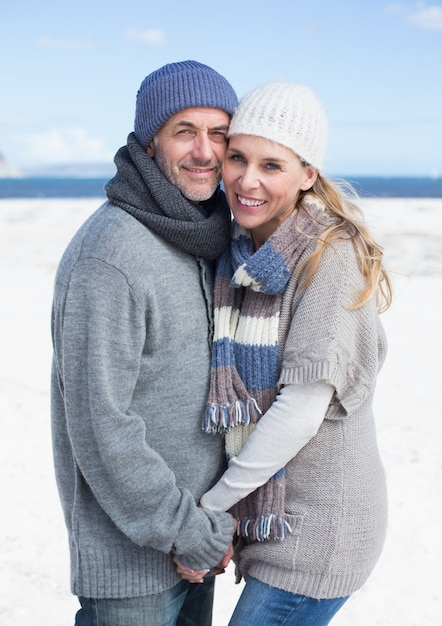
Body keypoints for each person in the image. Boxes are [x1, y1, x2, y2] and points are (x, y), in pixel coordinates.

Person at [193, 82, 393, 625]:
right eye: (237, 158)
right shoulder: (240, 251)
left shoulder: (330, 256)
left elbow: (300, 411)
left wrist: (212, 511)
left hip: (322, 529)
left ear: (308, 175)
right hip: (274, 518)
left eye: (271, 165)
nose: (247, 180)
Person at [50, 60, 239, 626]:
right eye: (185, 131)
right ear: (149, 141)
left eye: (219, 133)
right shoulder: (111, 255)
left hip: (196, 545)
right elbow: (102, 429)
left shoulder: (201, 236)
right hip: (134, 570)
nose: (204, 151)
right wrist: (189, 534)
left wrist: (207, 529)